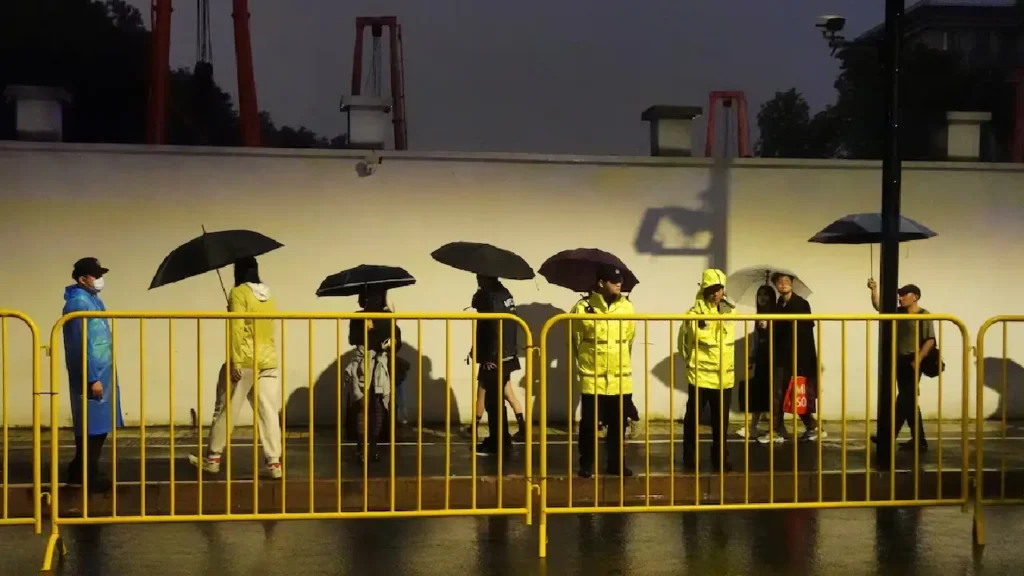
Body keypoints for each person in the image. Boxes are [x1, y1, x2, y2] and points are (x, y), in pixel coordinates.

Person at [189, 256, 283, 479]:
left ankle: (213, 458)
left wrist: (235, 361)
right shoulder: (269, 296)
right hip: (268, 361)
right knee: (268, 413)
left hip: (245, 359)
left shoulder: (239, 293)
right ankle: (274, 463)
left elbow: (237, 329)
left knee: (226, 410)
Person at [62, 257, 124, 493]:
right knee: (93, 428)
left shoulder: (91, 300)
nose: (99, 280)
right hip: (93, 375)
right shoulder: (79, 303)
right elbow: (80, 343)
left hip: (101, 371)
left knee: (97, 426)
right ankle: (88, 475)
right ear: (82, 279)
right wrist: (92, 377)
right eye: (95, 275)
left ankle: (80, 469)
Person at [572, 263, 635, 478]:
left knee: (618, 425)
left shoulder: (627, 307)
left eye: (620, 281)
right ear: (601, 283)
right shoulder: (583, 307)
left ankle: (616, 464)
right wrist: (583, 363)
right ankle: (587, 464)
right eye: (613, 281)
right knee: (589, 424)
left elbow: (630, 339)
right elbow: (575, 340)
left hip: (620, 378)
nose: (619, 284)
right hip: (593, 378)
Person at [868, 279, 935, 453]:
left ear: (916, 297)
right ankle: (919, 441)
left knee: (904, 400)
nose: (900, 298)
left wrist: (918, 360)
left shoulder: (923, 315)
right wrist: (874, 289)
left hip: (913, 361)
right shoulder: (898, 312)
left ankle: (888, 437)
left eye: (904, 295)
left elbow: (930, 340)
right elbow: (879, 306)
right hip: (899, 360)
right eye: (900, 295)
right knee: (909, 401)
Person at [679, 268, 736, 472]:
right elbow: (683, 343)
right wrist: (691, 363)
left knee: (721, 421)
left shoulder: (731, 312)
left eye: (719, 289)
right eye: (711, 289)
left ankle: (720, 456)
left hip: (724, 376)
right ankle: (689, 455)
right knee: (693, 419)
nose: (715, 293)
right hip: (701, 375)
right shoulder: (694, 314)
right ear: (703, 289)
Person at [760, 272, 824, 444]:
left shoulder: (801, 304)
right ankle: (776, 430)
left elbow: (805, 329)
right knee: (778, 393)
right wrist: (766, 323)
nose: (783, 285)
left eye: (786, 282)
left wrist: (783, 320)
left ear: (792, 284)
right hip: (782, 356)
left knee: (797, 393)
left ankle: (812, 426)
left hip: (800, 356)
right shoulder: (778, 304)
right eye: (779, 283)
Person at [346, 288, 403, 462]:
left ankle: (374, 446)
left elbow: (396, 341)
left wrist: (389, 343)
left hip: (380, 366)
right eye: (370, 296)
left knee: (378, 406)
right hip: (363, 365)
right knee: (363, 405)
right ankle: (361, 447)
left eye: (378, 296)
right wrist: (368, 331)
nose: (374, 299)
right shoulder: (358, 316)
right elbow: (353, 338)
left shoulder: (389, 317)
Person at [470, 275, 522, 456]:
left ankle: (498, 443)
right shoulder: (505, 294)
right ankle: (502, 439)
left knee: (493, 402)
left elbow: (493, 327)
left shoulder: (491, 297)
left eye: (479, 277)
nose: (477, 280)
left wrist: (491, 356)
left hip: (495, 356)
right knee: (499, 399)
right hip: (506, 354)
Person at [736, 284, 775, 441]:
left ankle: (775, 428)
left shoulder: (777, 313)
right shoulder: (760, 315)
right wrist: (752, 357)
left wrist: (770, 325)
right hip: (762, 359)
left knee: (774, 394)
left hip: (774, 359)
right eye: (760, 295)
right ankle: (753, 427)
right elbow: (757, 340)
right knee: (759, 393)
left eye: (766, 294)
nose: (763, 298)